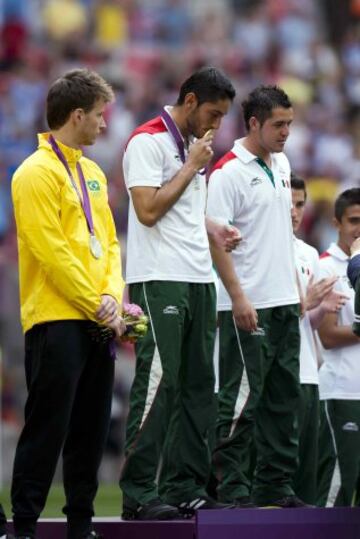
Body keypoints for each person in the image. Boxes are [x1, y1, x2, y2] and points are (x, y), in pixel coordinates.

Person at [120, 66, 239, 521]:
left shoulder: (194, 146)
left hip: (198, 276)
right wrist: (191, 167)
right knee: (159, 382)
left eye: (224, 117)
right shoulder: (147, 141)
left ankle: (185, 485)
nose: (216, 125)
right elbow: (148, 211)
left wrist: (211, 225)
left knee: (197, 388)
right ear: (189, 101)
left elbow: (181, 207)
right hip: (160, 275)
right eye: (212, 113)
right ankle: (138, 492)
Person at [10, 69, 125, 539]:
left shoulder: (92, 173)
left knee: (91, 429)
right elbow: (50, 250)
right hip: (56, 318)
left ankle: (81, 523)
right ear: (77, 115)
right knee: (47, 428)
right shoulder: (34, 173)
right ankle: (25, 527)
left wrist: (112, 298)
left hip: (98, 318)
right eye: (99, 115)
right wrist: (92, 300)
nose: (104, 123)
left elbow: (111, 245)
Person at [207, 84, 306, 508]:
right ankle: (232, 489)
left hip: (284, 300)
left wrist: (296, 289)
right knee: (241, 400)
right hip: (249, 303)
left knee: (284, 400)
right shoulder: (227, 172)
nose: (286, 132)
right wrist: (238, 297)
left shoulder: (281, 163)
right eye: (278, 125)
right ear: (253, 123)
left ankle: (275, 486)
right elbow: (214, 241)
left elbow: (278, 232)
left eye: (289, 124)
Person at [291, 174, 347, 505]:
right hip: (282, 371)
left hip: (308, 369)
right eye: (289, 205)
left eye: (300, 205)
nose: (295, 212)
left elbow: (305, 323)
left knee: (309, 468)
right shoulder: (260, 249)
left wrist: (318, 309)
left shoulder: (308, 254)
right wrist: (305, 305)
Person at [316, 188, 360, 507]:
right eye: (354, 221)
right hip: (343, 390)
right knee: (340, 485)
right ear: (337, 223)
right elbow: (328, 335)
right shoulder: (327, 266)